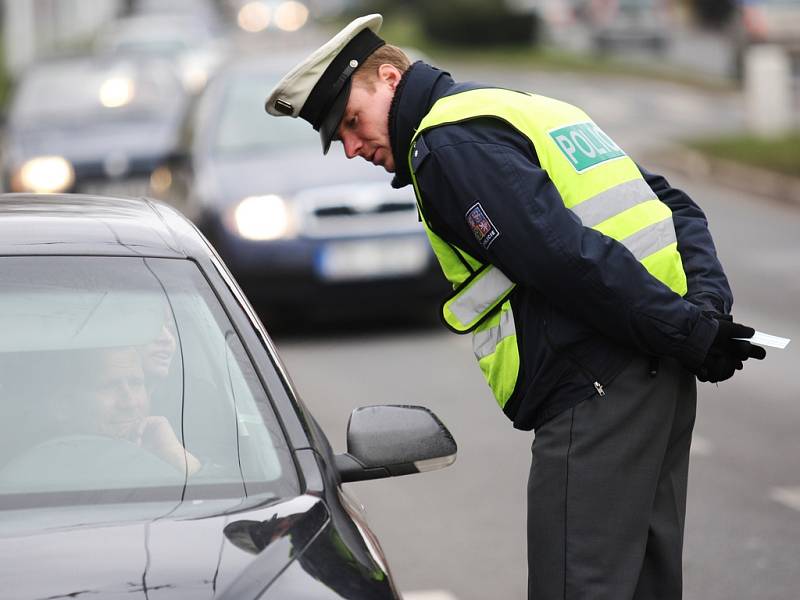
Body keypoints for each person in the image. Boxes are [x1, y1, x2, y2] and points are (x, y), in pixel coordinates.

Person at [263, 14, 767, 598]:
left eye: (352, 121)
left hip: (596, 391)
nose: (352, 148)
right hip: (658, 377)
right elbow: (675, 205)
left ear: (392, 78)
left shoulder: (444, 145)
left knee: (576, 584)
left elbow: (561, 259)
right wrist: (703, 315)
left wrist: (690, 330)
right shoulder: (520, 106)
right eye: (339, 137)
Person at [73, 346, 201, 476]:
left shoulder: (163, 452)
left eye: (136, 383)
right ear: (62, 405)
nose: (130, 403)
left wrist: (178, 456)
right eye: (109, 386)